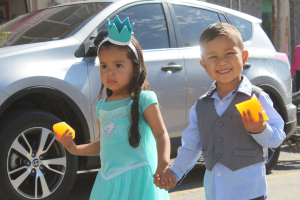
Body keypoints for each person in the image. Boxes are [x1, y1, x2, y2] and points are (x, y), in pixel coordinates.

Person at [153, 23, 286, 200]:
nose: (222, 61)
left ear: (244, 57)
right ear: (204, 65)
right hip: (216, 192)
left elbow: (277, 138)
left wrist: (261, 130)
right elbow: (191, 146)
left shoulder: (255, 98)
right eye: (213, 57)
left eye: (229, 53)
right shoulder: (201, 106)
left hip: (250, 192)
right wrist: (174, 172)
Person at [54, 16, 170, 200]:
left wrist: (163, 164)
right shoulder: (102, 106)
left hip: (137, 181)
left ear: (136, 67)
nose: (110, 72)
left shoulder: (144, 99)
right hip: (109, 183)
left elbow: (161, 134)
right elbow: (104, 144)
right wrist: (75, 149)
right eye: (104, 66)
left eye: (118, 65)